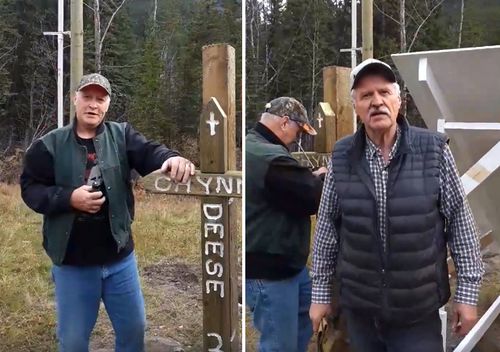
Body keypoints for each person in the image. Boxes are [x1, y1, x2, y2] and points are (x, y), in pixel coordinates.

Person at [309, 59, 484, 352]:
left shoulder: (434, 151)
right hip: (361, 313)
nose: (376, 102)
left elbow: (460, 223)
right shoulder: (342, 157)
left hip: (417, 314)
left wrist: (467, 295)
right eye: (366, 96)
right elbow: (327, 228)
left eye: (384, 93)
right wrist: (320, 294)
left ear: (398, 101)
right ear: (356, 107)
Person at [20, 73, 195, 352]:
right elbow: (30, 189)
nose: (93, 105)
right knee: (74, 341)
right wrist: (68, 198)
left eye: (100, 99)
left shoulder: (121, 135)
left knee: (134, 331)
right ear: (74, 99)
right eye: (87, 97)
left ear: (108, 104)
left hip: (119, 259)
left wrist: (171, 157)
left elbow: (151, 152)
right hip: (73, 262)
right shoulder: (49, 145)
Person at [246, 97, 328, 352]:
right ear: (284, 122)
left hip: (290, 267)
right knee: (279, 345)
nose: (297, 138)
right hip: (270, 273)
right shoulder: (270, 158)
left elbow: (290, 188)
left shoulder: (257, 147)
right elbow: (312, 197)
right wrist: (324, 179)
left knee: (299, 334)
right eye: (298, 130)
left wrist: (309, 179)